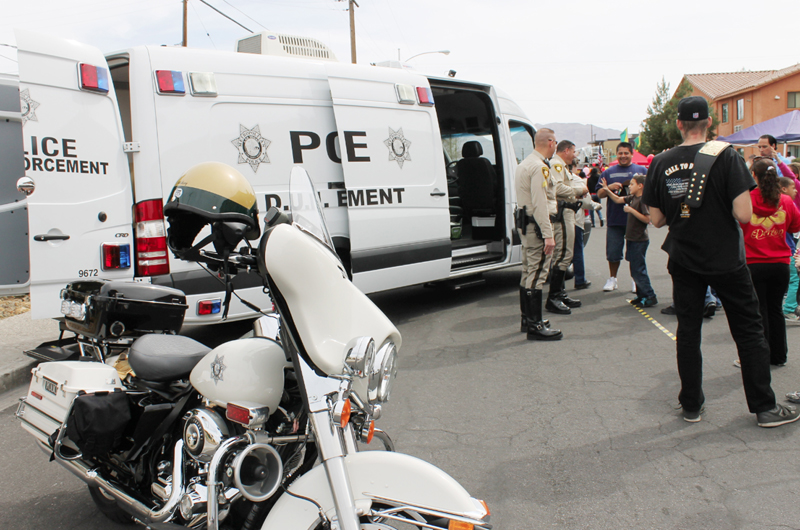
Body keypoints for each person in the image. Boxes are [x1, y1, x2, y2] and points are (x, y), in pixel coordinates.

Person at [642, 95, 800, 427]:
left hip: (684, 257)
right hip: (726, 257)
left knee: (688, 331)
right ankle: (765, 408)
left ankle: (691, 406)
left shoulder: (660, 162)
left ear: (679, 124)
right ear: (710, 123)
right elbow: (743, 212)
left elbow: (655, 219)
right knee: (749, 330)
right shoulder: (726, 156)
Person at [739, 160, 800, 367]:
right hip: (780, 263)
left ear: (754, 176)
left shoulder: (746, 200)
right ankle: (779, 355)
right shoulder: (785, 201)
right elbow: (795, 226)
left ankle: (760, 356)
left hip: (753, 262)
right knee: (776, 310)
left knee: (759, 311)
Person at [515, 128, 563, 341]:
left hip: (526, 224)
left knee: (527, 271)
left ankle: (528, 319)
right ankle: (534, 325)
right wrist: (548, 234)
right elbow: (540, 203)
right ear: (551, 142)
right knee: (537, 274)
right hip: (537, 225)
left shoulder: (524, 164)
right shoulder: (539, 167)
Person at [596, 142, 648, 292]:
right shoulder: (608, 172)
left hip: (636, 221)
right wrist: (609, 188)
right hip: (615, 219)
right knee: (613, 252)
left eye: (626, 153)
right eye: (620, 153)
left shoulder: (641, 171)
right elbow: (599, 193)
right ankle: (613, 278)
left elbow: (650, 190)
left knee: (635, 253)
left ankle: (635, 279)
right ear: (616, 154)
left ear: (632, 154)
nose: (623, 156)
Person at [601, 174, 657, 307]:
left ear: (640, 186)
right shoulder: (633, 197)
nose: (629, 187)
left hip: (639, 239)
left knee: (639, 269)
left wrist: (631, 210)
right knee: (634, 268)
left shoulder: (642, 200)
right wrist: (607, 190)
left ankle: (649, 295)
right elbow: (618, 199)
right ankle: (640, 294)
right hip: (631, 238)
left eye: (632, 184)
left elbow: (647, 219)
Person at [547, 140, 585, 314]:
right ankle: (553, 297)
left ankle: (560, 293)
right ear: (567, 150)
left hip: (567, 212)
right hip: (562, 214)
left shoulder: (561, 166)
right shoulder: (556, 164)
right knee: (563, 254)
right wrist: (578, 191)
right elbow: (556, 188)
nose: (575, 155)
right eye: (574, 152)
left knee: (565, 253)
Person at [778, 176, 800, 323]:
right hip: (787, 249)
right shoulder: (787, 203)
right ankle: (789, 308)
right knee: (795, 280)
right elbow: (795, 225)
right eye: (793, 187)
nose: (796, 190)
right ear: (784, 189)